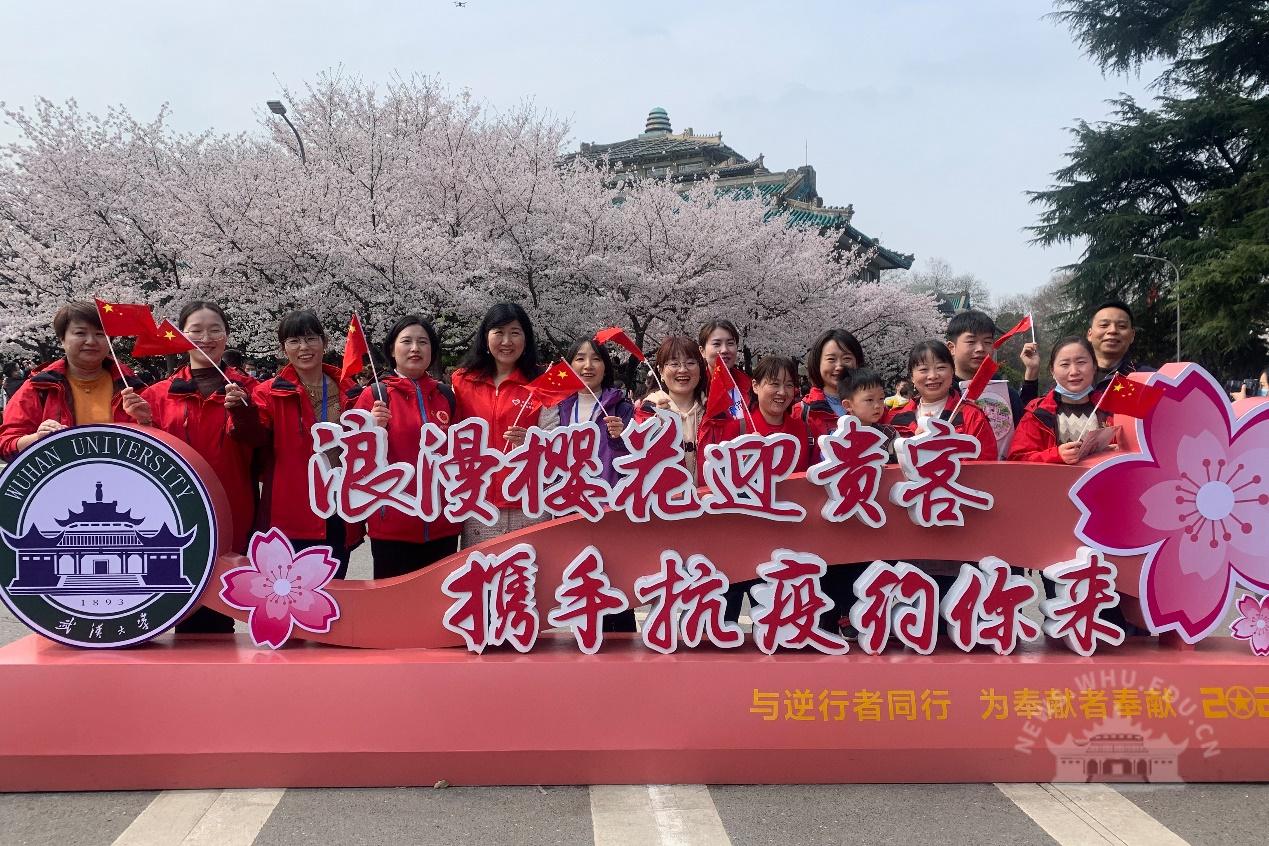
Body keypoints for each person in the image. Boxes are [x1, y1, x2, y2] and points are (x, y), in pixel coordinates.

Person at [143, 302, 259, 634]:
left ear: (227, 336)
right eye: (195, 330)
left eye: (214, 330)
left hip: (232, 507)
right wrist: (141, 422)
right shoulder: (156, 396)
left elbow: (262, 444)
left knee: (221, 598)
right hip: (176, 511)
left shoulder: (251, 390)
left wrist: (244, 412)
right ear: (181, 336)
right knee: (184, 596)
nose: (205, 338)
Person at [239, 310, 361, 577]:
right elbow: (253, 438)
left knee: (336, 591)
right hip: (291, 510)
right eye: (294, 341)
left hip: (340, 507)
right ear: (283, 349)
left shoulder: (350, 391)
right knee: (290, 591)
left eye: (310, 338)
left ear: (324, 342)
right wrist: (241, 412)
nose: (304, 347)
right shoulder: (268, 393)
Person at [697, 355, 809, 624]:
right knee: (725, 618)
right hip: (737, 540)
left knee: (776, 620)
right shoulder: (737, 429)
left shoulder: (800, 429)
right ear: (756, 386)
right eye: (774, 384)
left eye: (789, 385)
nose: (782, 392)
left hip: (783, 541)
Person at [350, 315, 462, 579]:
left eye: (423, 342)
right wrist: (372, 427)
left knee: (438, 600)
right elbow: (354, 457)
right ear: (392, 349)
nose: (415, 348)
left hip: (442, 524)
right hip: (392, 525)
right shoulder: (375, 395)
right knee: (394, 602)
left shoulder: (446, 396)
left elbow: (459, 454)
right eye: (407, 341)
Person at [451, 303, 558, 547]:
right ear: (485, 336)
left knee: (531, 568)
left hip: (529, 501)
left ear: (526, 338)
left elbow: (553, 437)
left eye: (515, 333)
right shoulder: (462, 381)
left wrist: (532, 440)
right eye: (499, 332)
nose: (506, 341)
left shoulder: (542, 382)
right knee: (481, 568)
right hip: (479, 500)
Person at [0, 302, 150, 460]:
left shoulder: (132, 387)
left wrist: (145, 421)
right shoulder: (38, 388)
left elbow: (158, 445)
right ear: (62, 339)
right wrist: (38, 439)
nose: (91, 341)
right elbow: (6, 444)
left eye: (100, 334)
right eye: (80, 333)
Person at [884, 340, 998, 461]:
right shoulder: (893, 418)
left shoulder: (972, 416)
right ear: (912, 376)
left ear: (952, 371)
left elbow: (986, 465)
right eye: (924, 369)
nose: (933, 376)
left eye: (941, 367)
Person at [1009, 337, 1110, 464]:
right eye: (1065, 364)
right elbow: (1017, 459)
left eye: (1081, 362)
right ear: (1052, 371)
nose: (1074, 371)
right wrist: (1056, 456)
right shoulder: (1037, 413)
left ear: (1094, 366)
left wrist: (1117, 452)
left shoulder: (1112, 409)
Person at [557, 336, 635, 486]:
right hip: (567, 494)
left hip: (608, 495)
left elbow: (634, 460)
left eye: (596, 359)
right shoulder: (559, 409)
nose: (588, 365)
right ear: (569, 367)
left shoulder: (621, 409)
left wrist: (620, 439)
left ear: (605, 368)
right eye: (580, 359)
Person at [945, 310, 1039, 426]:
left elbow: (1026, 424)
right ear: (951, 348)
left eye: (987, 342)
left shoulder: (1005, 393)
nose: (980, 348)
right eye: (971, 341)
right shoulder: (940, 392)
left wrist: (1031, 371)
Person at [635, 336, 709, 482]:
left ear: (700, 370)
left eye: (690, 363)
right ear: (661, 371)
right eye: (674, 364)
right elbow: (639, 455)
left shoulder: (713, 412)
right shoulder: (648, 411)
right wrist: (657, 426)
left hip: (709, 494)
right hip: (665, 493)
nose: (683, 370)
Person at [791, 329, 867, 464]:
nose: (839, 367)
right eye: (831, 359)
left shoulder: (873, 405)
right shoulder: (802, 411)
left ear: (857, 362)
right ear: (818, 363)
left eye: (847, 359)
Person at [1087, 300, 1154, 389]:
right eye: (1104, 325)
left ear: (1132, 335)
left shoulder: (1149, 379)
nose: (1113, 330)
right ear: (1090, 334)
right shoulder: (1073, 376)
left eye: (1122, 326)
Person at [698, 319, 752, 421]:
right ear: (702, 351)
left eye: (730, 343)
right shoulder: (695, 387)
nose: (725, 350)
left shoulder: (748, 386)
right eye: (717, 344)